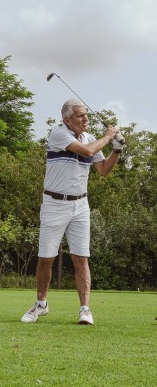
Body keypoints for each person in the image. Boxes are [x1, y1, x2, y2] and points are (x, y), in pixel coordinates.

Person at [21, 98, 124, 325]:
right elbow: (87, 151)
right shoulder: (59, 134)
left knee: (81, 258)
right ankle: (41, 305)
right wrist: (108, 136)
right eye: (80, 115)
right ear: (67, 120)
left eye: (86, 115)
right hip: (54, 203)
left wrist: (116, 150)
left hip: (80, 205)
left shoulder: (89, 138)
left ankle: (85, 309)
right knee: (46, 258)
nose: (85, 119)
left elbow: (103, 169)